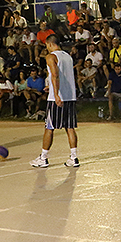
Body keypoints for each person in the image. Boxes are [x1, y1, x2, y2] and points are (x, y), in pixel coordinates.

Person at [29, 35, 80, 168]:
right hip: (70, 96)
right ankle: (73, 157)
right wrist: (51, 87)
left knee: (49, 127)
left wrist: (56, 94)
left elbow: (55, 74)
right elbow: (65, 76)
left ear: (49, 44)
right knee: (70, 127)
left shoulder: (51, 57)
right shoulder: (67, 56)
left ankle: (43, 158)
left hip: (57, 97)